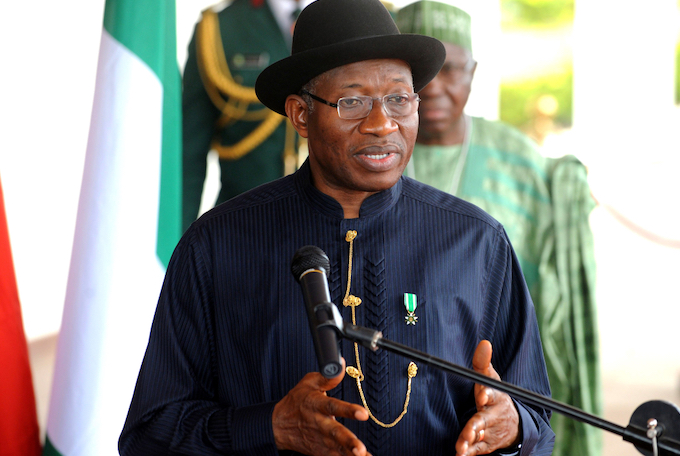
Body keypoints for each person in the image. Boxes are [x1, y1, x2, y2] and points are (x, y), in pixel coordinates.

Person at [119, 0, 555, 454]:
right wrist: (270, 427)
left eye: (399, 99)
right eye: (353, 102)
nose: (382, 123)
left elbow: (538, 422)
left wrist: (512, 426)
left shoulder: (477, 242)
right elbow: (148, 436)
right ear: (300, 115)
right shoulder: (216, 245)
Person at [396, 2, 601, 456]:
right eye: (420, 73)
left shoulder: (520, 160)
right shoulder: (377, 157)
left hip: (506, 373)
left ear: (473, 72)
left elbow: (552, 299)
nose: (435, 87)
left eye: (452, 70)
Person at [181, 0, 314, 232]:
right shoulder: (219, 28)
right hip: (241, 229)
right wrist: (176, 245)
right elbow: (189, 157)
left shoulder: (359, 18)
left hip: (338, 231)